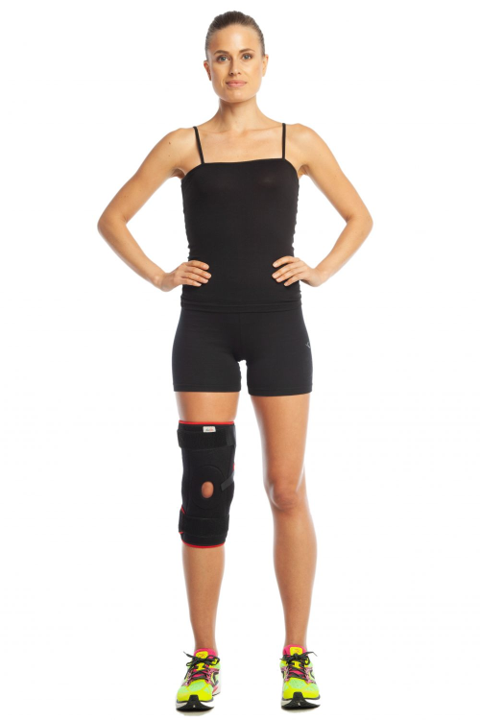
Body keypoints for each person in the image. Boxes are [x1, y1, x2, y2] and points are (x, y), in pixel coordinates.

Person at [97, 10, 373, 713]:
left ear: (265, 63)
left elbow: (360, 216)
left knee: (285, 489)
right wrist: (161, 275)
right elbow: (112, 218)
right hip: (205, 330)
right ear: (206, 68)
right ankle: (204, 658)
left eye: (246, 55)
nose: (235, 68)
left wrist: (320, 271)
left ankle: (296, 655)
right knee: (206, 490)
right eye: (221, 57)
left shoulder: (295, 140)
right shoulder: (181, 145)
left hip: (280, 326)